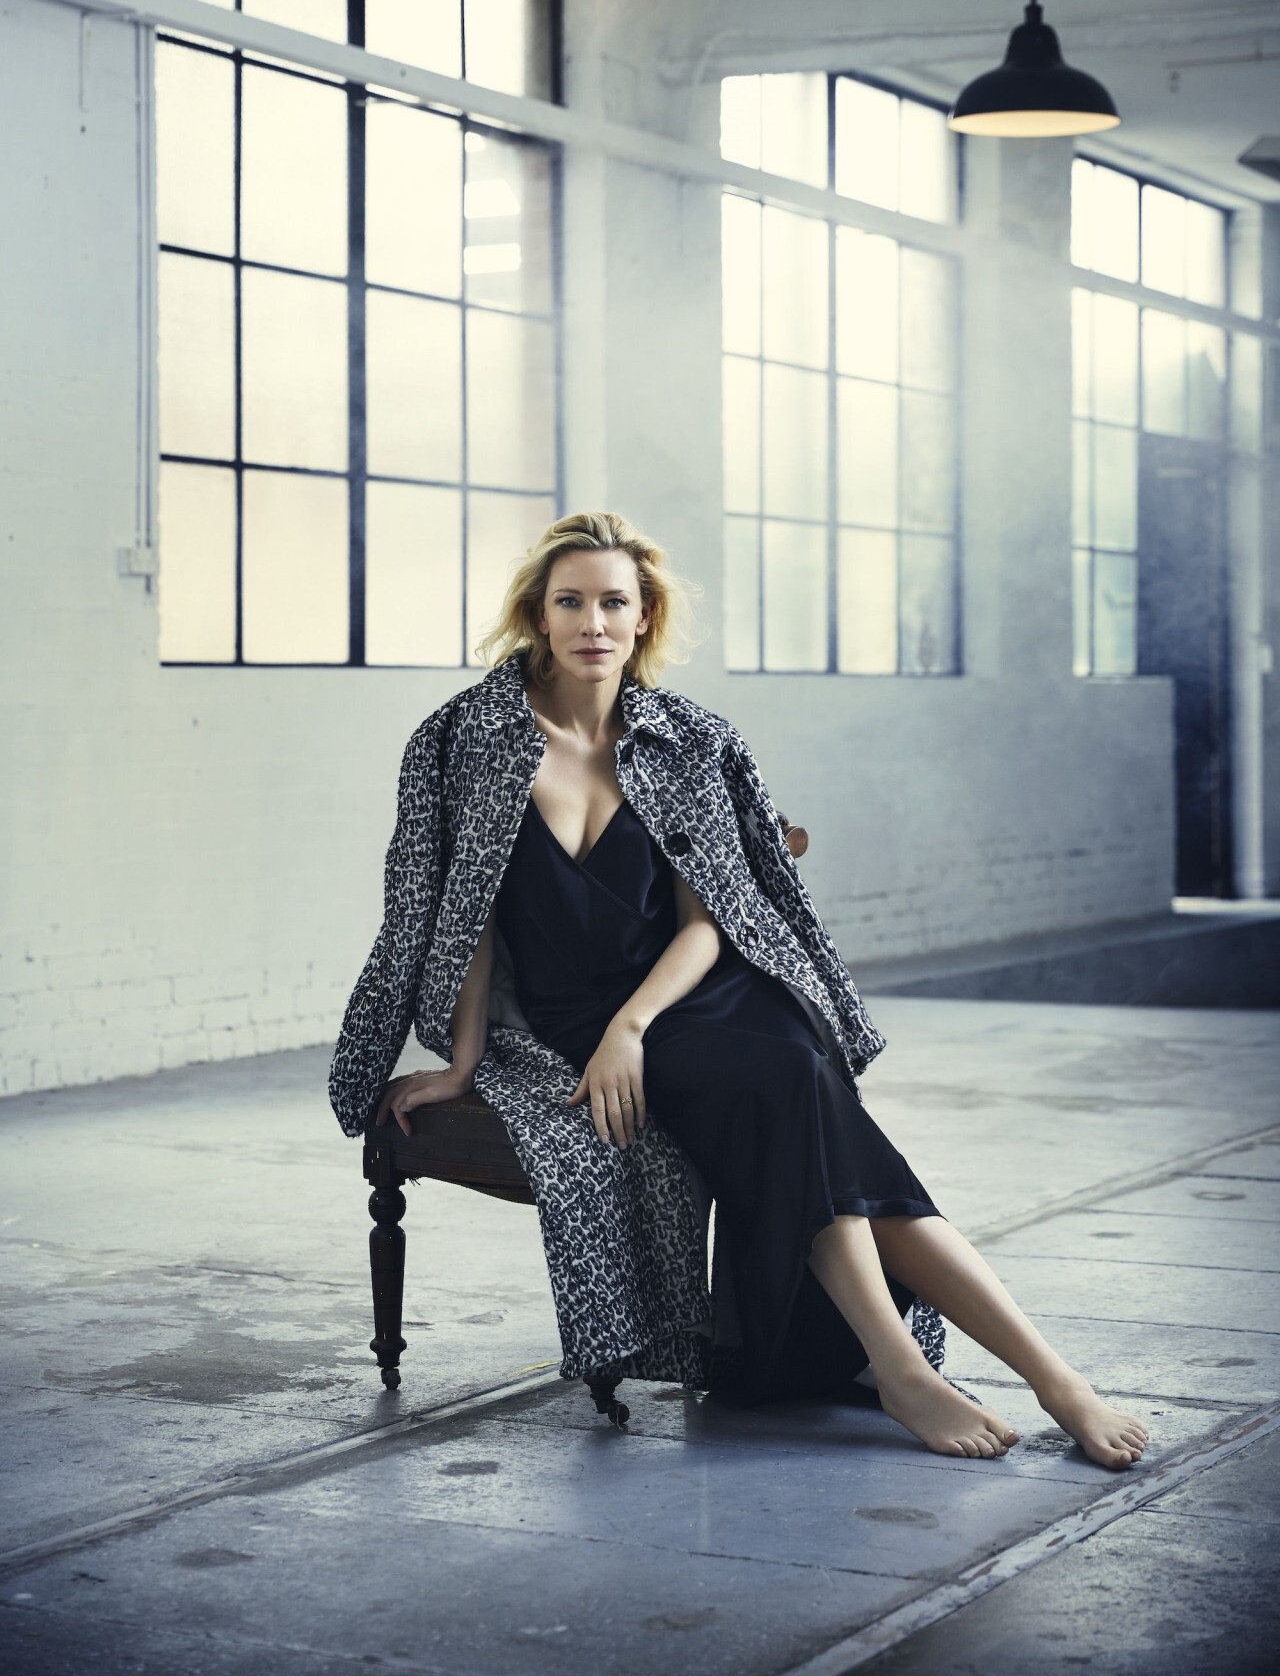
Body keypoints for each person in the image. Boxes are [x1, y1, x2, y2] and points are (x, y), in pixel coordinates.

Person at [373, 515, 1149, 1469]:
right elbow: (468, 917)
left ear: (644, 615)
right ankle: (969, 1374)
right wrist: (462, 1064)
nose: (592, 623)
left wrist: (633, 1026)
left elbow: (712, 921)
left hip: (694, 995)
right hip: (573, 1019)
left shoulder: (688, 739)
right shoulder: (468, 740)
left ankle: (1005, 1376)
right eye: (569, 601)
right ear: (538, 614)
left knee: (789, 1064)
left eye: (614, 602)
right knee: (824, 1124)